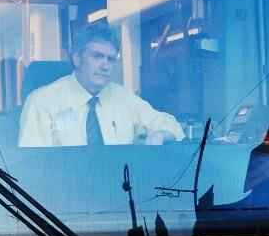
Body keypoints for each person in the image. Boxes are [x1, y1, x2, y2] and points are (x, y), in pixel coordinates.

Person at [19, 27, 184, 147]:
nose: (105, 66)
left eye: (110, 59)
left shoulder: (124, 98)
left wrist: (158, 134)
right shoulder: (42, 101)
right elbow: (33, 164)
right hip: (66, 189)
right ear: (77, 59)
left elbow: (171, 124)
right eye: (97, 56)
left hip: (118, 188)